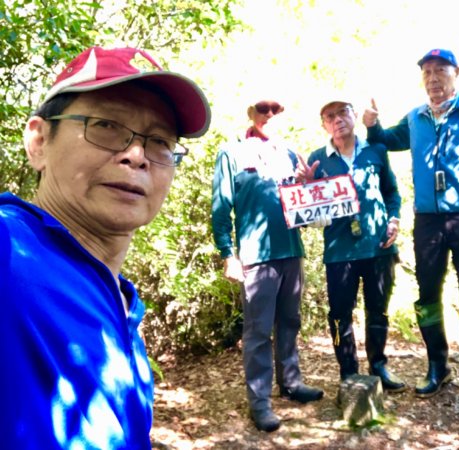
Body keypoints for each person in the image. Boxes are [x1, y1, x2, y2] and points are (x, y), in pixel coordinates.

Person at [0, 46, 211, 449]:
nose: (136, 155)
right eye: (106, 125)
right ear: (39, 141)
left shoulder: (121, 301)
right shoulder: (10, 249)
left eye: (160, 141)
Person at [363, 48, 459, 401]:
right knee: (428, 292)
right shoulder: (415, 118)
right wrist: (372, 126)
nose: (432, 78)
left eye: (439, 71)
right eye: (427, 72)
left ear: (456, 73)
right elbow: (387, 141)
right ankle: (438, 366)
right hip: (427, 220)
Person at [211, 98, 323, 433]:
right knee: (258, 331)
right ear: (250, 112)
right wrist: (228, 254)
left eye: (276, 110)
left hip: (290, 250)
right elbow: (221, 206)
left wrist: (307, 185)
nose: (270, 115)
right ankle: (259, 402)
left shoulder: (288, 153)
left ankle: (290, 383)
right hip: (256, 257)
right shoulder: (232, 151)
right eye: (263, 109)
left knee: (290, 321)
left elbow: (303, 210)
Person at [296, 98, 407, 392]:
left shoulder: (376, 151)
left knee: (378, 311)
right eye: (329, 115)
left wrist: (394, 220)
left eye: (343, 112)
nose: (337, 119)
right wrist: (306, 187)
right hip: (339, 252)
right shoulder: (318, 159)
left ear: (354, 115)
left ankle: (379, 365)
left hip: (379, 247)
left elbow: (392, 193)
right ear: (324, 124)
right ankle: (347, 370)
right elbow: (308, 216)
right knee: (338, 317)